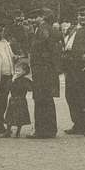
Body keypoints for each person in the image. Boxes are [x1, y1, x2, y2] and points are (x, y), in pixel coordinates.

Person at [26, 9, 61, 139]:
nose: (32, 19)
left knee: (40, 99)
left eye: (35, 17)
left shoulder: (42, 30)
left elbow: (41, 48)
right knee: (47, 99)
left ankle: (41, 130)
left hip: (41, 69)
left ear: (42, 17)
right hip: (47, 69)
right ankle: (50, 129)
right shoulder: (50, 29)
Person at [4, 56, 32, 138]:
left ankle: (18, 132)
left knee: (20, 117)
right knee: (10, 116)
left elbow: (29, 88)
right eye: (16, 70)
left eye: (19, 70)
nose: (16, 72)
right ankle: (8, 130)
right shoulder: (13, 80)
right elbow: (7, 88)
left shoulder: (25, 80)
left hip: (21, 100)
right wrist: (12, 80)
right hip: (13, 99)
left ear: (24, 72)